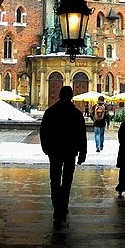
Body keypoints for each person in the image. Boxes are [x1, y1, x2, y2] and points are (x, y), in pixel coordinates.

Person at [39, 86, 87, 223]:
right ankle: (63, 205)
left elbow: (44, 131)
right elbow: (81, 135)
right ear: (71, 96)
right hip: (70, 151)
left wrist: (46, 148)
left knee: (54, 179)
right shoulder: (76, 114)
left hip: (54, 150)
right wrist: (82, 152)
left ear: (59, 95)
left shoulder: (50, 112)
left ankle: (57, 207)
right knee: (67, 180)